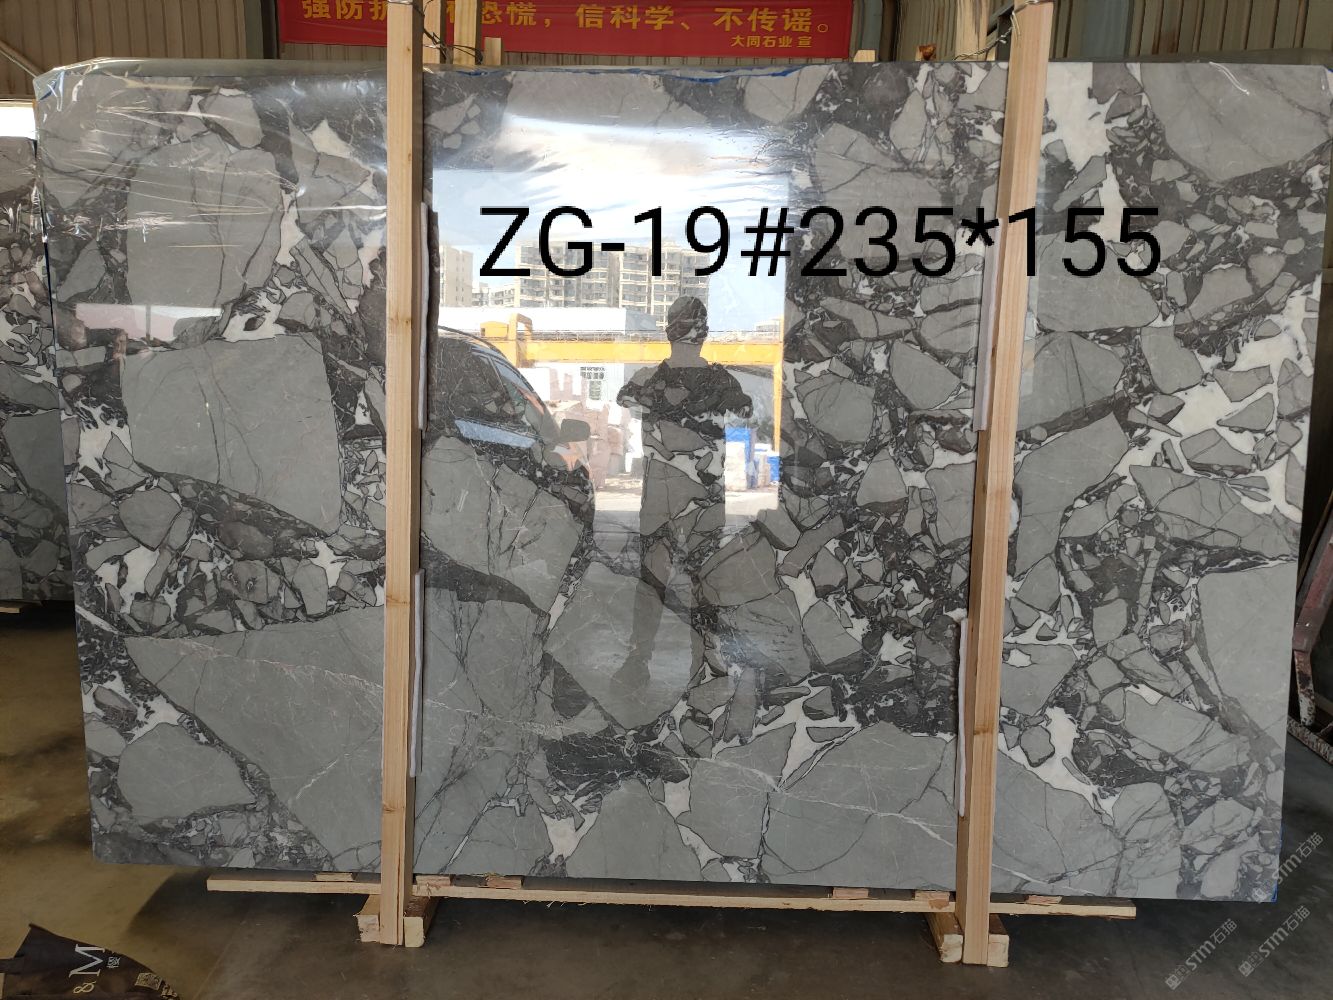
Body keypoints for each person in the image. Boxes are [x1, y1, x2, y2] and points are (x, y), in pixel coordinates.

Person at [614, 296, 752, 695]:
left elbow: (625, 399)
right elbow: (744, 411)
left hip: (661, 496)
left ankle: (639, 660)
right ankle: (707, 660)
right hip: (704, 496)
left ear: (669, 332)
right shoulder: (722, 381)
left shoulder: (646, 379)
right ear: (704, 334)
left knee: (652, 579)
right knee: (703, 579)